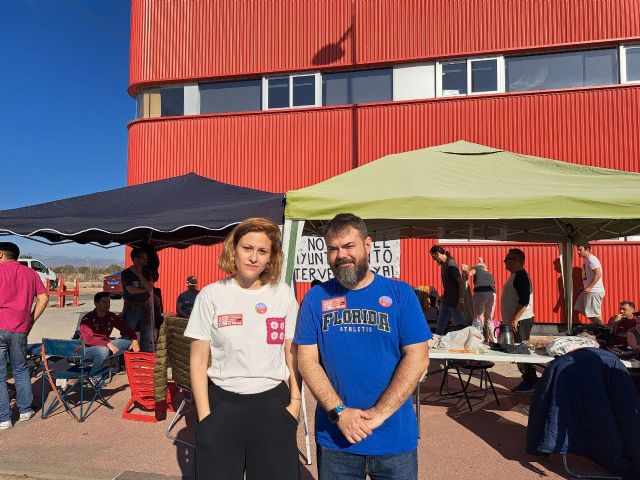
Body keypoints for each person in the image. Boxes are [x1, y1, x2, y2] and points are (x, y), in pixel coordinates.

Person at [295, 213, 431, 480]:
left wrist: (379, 414)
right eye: (333, 249)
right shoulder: (315, 298)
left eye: (349, 246)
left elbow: (418, 357)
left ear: (367, 245)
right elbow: (306, 360)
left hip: (394, 439)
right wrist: (340, 412)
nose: (341, 255)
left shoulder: (400, 294)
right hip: (336, 440)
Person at [185, 217, 302, 480]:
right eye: (247, 248)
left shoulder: (282, 293)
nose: (253, 257)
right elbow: (198, 360)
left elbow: (292, 352)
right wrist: (205, 416)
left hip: (273, 405)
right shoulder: (211, 295)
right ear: (233, 249)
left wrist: (295, 402)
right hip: (222, 405)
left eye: (262, 251)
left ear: (271, 257)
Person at [0, 242, 49, 429]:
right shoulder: (30, 273)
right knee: (20, 369)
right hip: (20, 328)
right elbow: (44, 297)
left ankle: (4, 418)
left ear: (1, 254)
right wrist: (31, 320)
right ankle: (25, 410)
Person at [501, 248, 538, 393]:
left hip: (521, 320)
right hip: (516, 320)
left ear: (516, 261)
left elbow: (524, 301)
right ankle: (529, 379)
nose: (505, 262)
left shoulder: (521, 276)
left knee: (521, 351)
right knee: (518, 350)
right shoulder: (515, 275)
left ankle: (530, 380)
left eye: (507, 259)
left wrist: (515, 319)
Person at [79, 292, 140, 375]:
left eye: (108, 302)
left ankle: (128, 368)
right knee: (103, 351)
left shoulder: (110, 316)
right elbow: (89, 339)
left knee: (128, 342)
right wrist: (108, 344)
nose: (107, 305)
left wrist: (134, 339)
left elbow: (126, 328)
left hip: (106, 344)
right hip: (87, 348)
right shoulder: (87, 319)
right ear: (96, 303)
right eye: (104, 302)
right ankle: (95, 375)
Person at [121, 248, 154, 352]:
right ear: (136, 259)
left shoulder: (147, 272)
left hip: (145, 307)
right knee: (128, 333)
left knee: (146, 335)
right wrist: (146, 289)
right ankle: (123, 356)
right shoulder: (126, 273)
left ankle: (144, 357)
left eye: (146, 257)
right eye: (144, 258)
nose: (146, 259)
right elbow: (131, 290)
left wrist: (139, 274)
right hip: (132, 307)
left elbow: (150, 287)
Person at [430, 245, 465, 335]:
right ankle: (438, 339)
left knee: (461, 326)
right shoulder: (444, 265)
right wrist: (443, 296)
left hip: (454, 302)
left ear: (437, 254)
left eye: (434, 258)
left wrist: (461, 301)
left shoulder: (451, 264)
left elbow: (461, 282)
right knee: (440, 326)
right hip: (447, 301)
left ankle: (467, 341)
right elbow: (449, 285)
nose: (435, 260)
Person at [462, 258, 496, 343]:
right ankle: (494, 341)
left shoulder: (477, 268)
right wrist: (481, 261)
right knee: (489, 320)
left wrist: (464, 270)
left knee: (478, 318)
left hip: (480, 293)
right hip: (492, 294)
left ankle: (478, 340)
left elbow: (469, 273)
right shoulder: (489, 273)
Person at [574, 243, 605, 325]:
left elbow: (598, 274)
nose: (578, 252)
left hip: (594, 291)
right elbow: (589, 276)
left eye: (580, 250)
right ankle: (597, 326)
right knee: (579, 307)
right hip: (589, 290)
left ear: (587, 250)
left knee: (595, 315)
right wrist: (584, 286)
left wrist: (589, 287)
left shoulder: (592, 259)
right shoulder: (586, 259)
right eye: (578, 250)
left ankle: (602, 329)